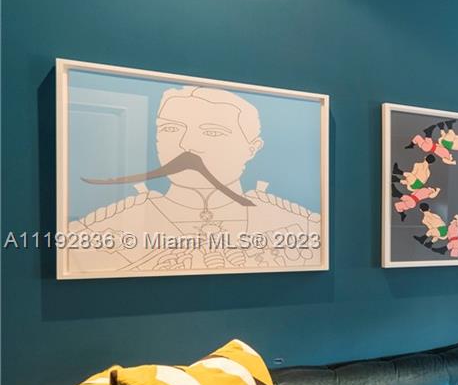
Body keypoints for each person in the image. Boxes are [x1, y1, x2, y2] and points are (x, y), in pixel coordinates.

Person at [69, 84, 320, 274]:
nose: (186, 144)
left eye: (213, 132)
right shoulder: (97, 234)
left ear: (252, 148)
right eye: (170, 129)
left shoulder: (301, 226)